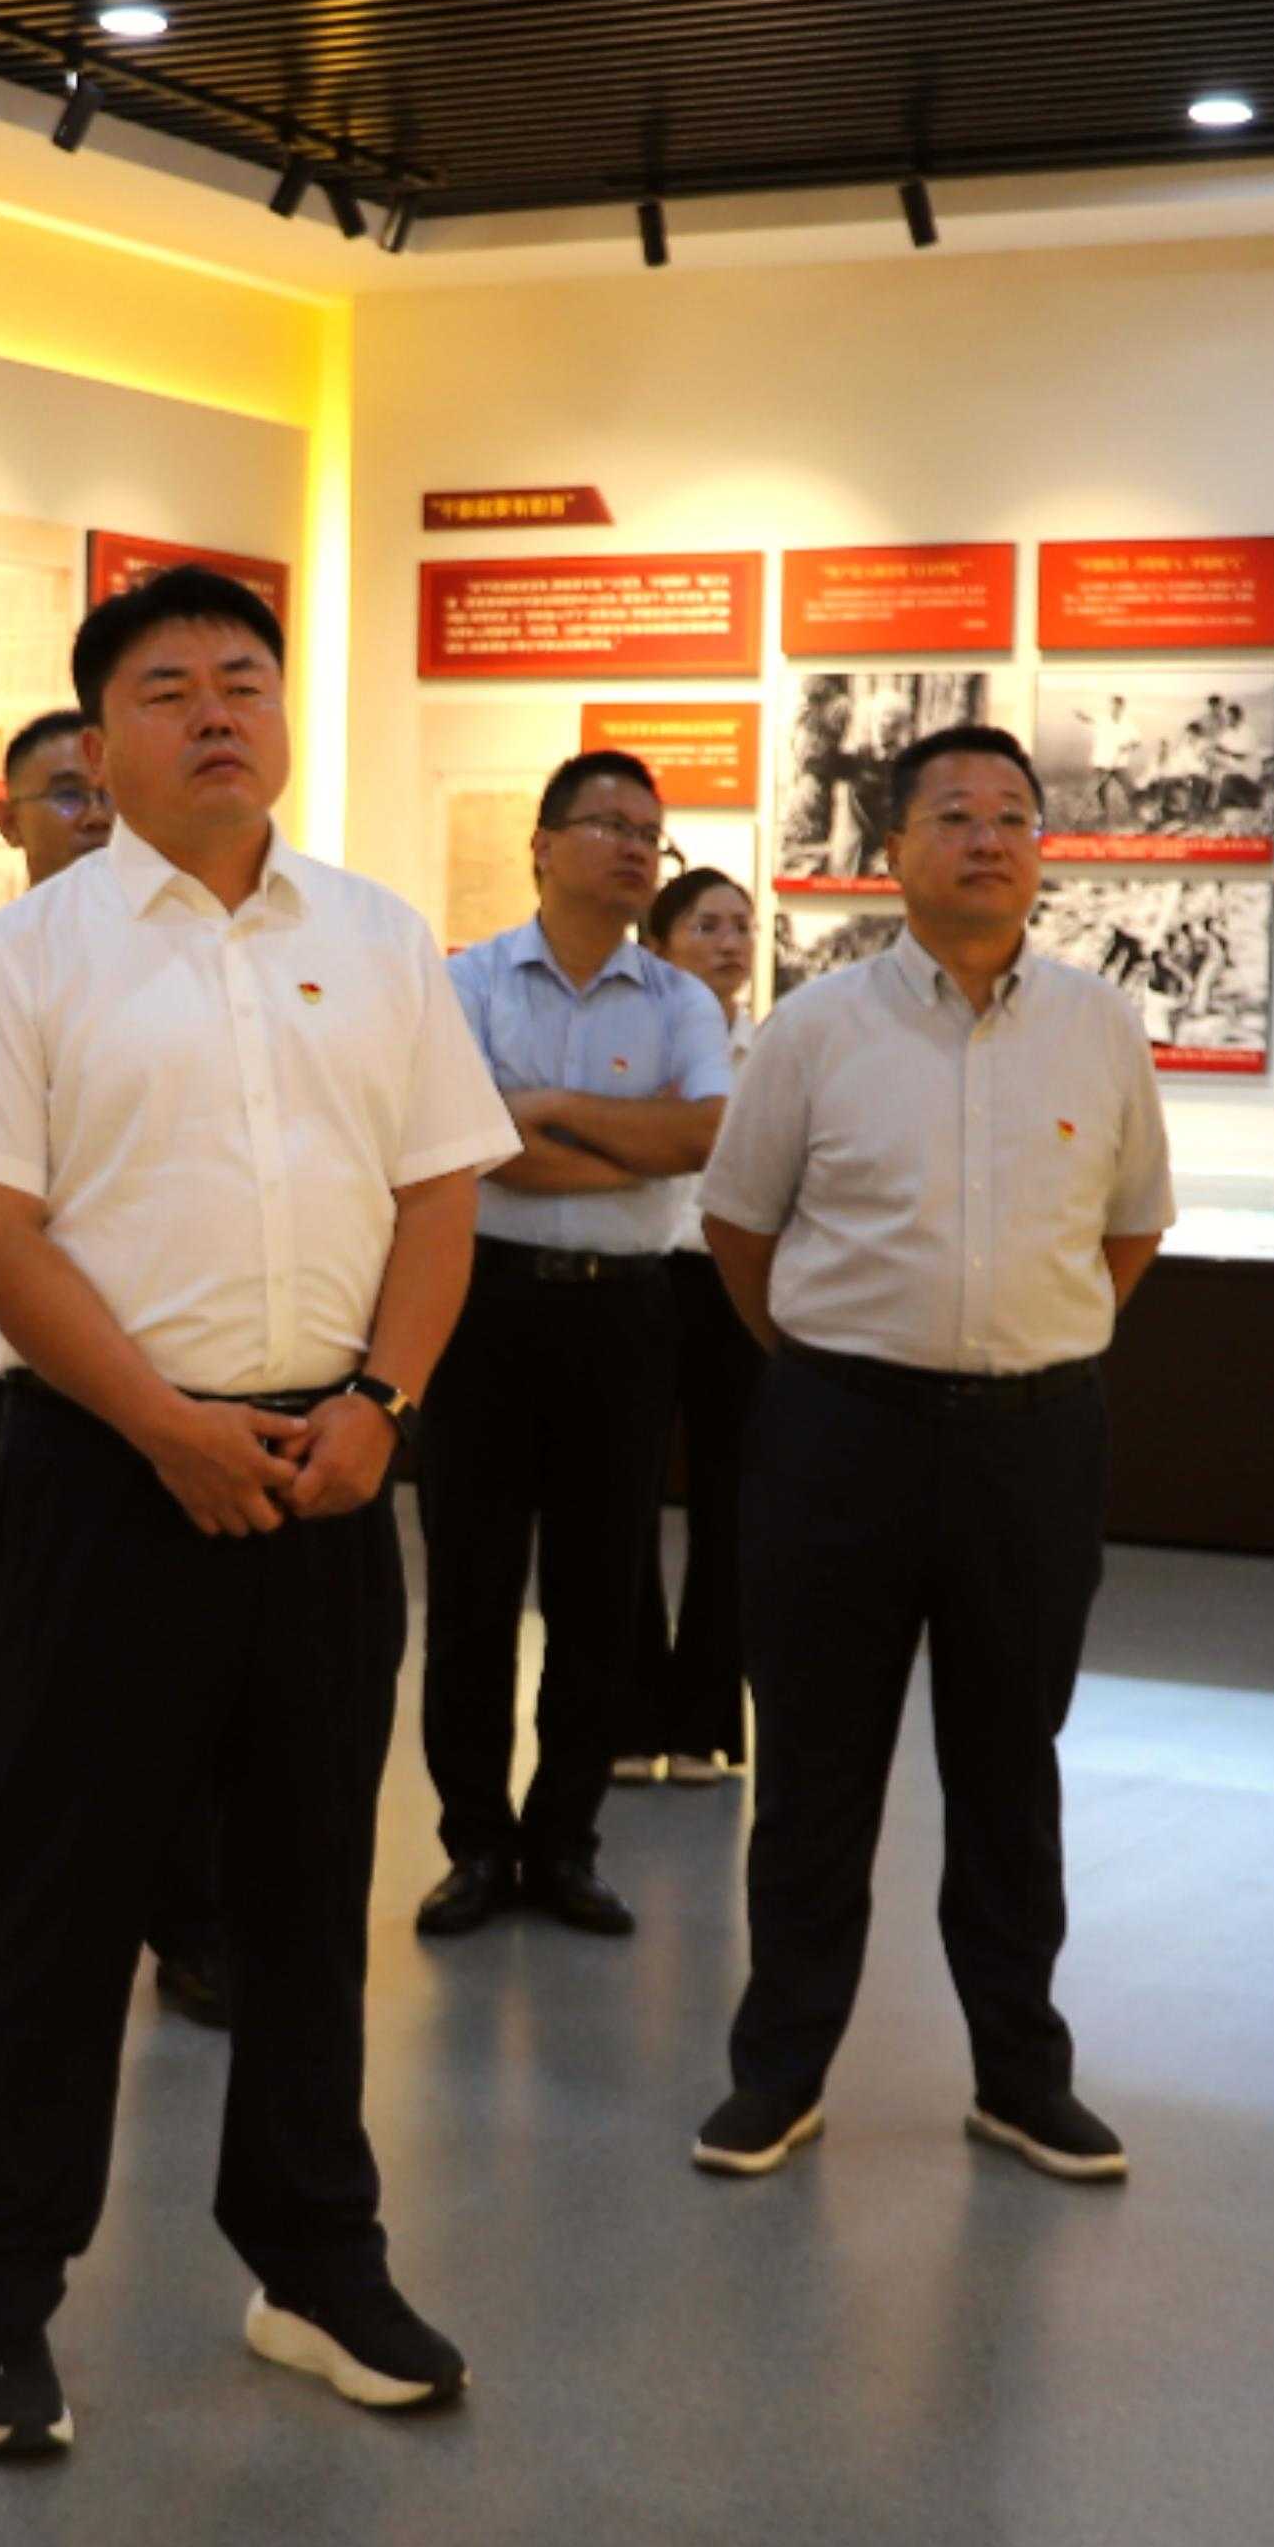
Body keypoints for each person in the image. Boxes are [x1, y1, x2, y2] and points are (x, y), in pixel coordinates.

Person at [0, 566, 514, 2455]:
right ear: (99, 744)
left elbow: (436, 1194)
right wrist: (160, 1423)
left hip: (327, 1470)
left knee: (308, 1892)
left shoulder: (378, 938)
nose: (215, 710)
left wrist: (382, 1407)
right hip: (104, 1472)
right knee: (57, 1902)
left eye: (243, 677)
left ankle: (312, 2260)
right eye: (165, 688)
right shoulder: (18, 962)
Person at [688, 725, 1170, 2188]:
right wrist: (844, 1359)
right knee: (815, 1772)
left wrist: (1021, 1346)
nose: (988, 837)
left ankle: (1021, 2079)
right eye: (953, 814)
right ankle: (777, 2076)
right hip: (839, 1435)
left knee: (1010, 1770)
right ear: (891, 851)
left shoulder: (1099, 1025)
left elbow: (1130, 1228)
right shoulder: (814, 1029)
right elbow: (739, 1228)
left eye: (1014, 815)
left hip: (1033, 1443)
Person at [0, 708, 229, 2034]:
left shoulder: (197, 966)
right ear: (3, 816)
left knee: (185, 1656)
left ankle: (193, 1926)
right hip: (1, 1369)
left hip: (174, 1350)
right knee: (11, 1661)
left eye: (104, 790)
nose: (90, 813)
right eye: (62, 792)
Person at [414, 751, 728, 1940]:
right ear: (542, 846)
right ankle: (475, 1845)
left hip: (628, 1314)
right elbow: (470, 1146)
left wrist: (544, 1108)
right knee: (473, 1590)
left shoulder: (681, 1000)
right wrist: (620, 1148)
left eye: (652, 831)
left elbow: (702, 1138)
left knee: (602, 1593)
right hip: (481, 1304)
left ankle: (566, 1844)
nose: (637, 847)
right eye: (611, 825)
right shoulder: (468, 982)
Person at [624, 863, 765, 1785]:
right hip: (640, 1276)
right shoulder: (632, 1043)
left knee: (733, 1506)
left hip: (733, 1283)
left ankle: (705, 1723)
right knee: (623, 1501)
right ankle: (626, 1718)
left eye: (740, 926)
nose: (728, 943)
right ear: (659, 945)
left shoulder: (773, 1049)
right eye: (705, 926)